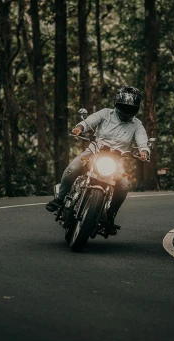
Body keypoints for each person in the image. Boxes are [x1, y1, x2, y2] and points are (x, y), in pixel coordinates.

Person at [45, 86, 150, 232]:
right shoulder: (106, 113)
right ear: (117, 103)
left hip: (116, 161)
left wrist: (144, 150)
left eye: (130, 107)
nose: (126, 108)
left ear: (136, 107)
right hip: (94, 152)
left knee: (124, 185)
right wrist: (80, 128)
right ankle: (60, 199)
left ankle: (110, 214)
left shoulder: (137, 124)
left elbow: (142, 138)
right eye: (124, 105)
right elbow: (90, 121)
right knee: (72, 169)